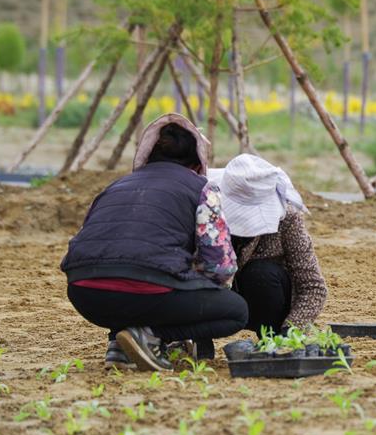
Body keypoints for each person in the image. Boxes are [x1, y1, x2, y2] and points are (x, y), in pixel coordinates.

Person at [62, 114, 249, 371]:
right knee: (236, 311)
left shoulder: (115, 186)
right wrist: (197, 283)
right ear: (198, 162)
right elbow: (220, 265)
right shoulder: (202, 188)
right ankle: (150, 335)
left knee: (132, 278)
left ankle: (119, 341)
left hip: (84, 292)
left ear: (147, 154)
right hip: (148, 290)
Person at [209, 154, 327, 336]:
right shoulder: (206, 212)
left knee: (261, 273)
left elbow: (312, 286)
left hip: (264, 294)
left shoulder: (287, 219)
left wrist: (291, 331)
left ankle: (269, 337)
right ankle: (200, 342)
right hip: (218, 295)